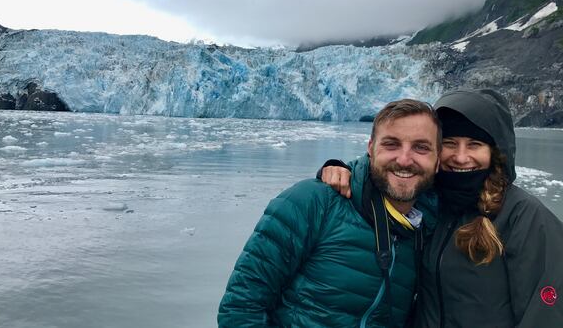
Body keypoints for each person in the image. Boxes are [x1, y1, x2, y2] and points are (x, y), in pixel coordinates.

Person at [319, 89, 563, 327]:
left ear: (495, 152)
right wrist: (341, 169)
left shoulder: (523, 216)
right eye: (450, 143)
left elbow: (545, 315)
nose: (460, 156)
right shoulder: (427, 204)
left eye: (475, 144)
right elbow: (385, 174)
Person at [218, 99, 441, 327]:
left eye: (421, 147)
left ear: (438, 160)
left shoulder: (431, 228)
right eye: (391, 144)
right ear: (370, 149)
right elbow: (241, 307)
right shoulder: (314, 202)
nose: (404, 159)